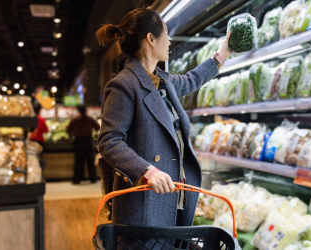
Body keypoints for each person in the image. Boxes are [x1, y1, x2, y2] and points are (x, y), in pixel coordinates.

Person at [96, 8, 231, 247]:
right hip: (145, 203)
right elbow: (109, 141)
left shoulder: (162, 80)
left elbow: (191, 80)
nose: (169, 41)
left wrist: (223, 54)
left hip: (174, 198)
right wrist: (147, 171)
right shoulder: (123, 85)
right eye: (166, 34)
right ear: (150, 39)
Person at [67, 105, 100, 184]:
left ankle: (77, 179)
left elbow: (68, 129)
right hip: (88, 141)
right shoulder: (89, 119)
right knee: (90, 161)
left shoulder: (75, 120)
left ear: (78, 111)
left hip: (78, 141)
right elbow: (98, 127)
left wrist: (72, 136)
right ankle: (93, 178)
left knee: (78, 162)